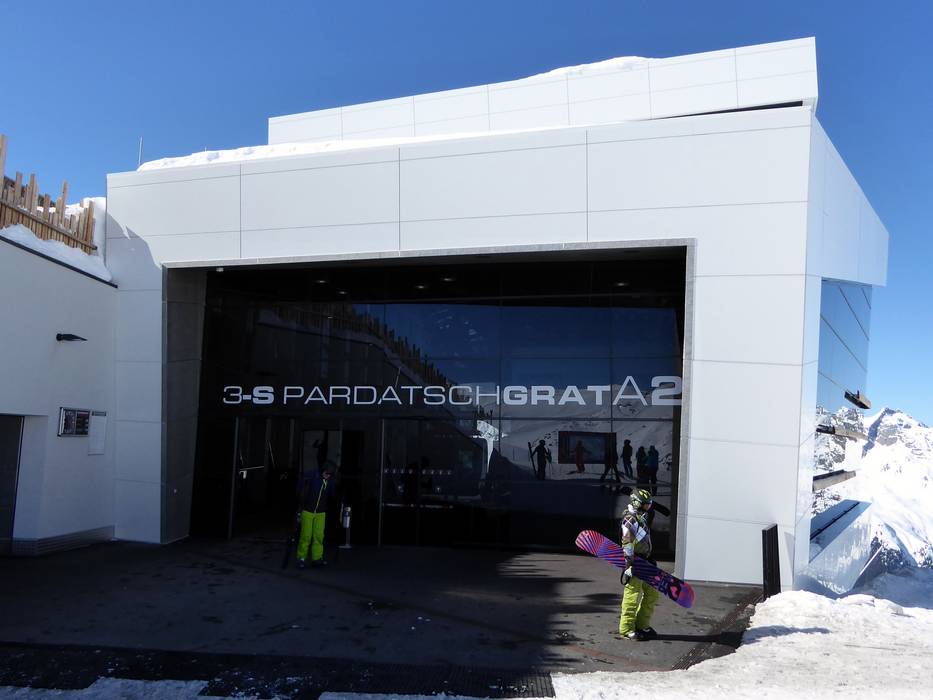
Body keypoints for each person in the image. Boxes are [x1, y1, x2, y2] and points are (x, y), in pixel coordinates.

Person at [618, 488, 659, 641]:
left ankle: (641, 624)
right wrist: (629, 565)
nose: (648, 507)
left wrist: (650, 557)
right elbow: (627, 543)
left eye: (650, 504)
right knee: (632, 595)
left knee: (652, 594)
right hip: (635, 563)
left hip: (646, 562)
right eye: (646, 504)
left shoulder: (640, 517)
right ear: (637, 503)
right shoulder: (629, 519)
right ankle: (627, 629)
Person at [296, 463, 335, 568]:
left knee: (319, 536)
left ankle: (317, 558)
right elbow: (300, 490)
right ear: (323, 470)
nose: (328, 475)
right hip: (307, 511)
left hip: (321, 513)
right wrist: (300, 507)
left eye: (330, 474)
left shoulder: (330, 481)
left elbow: (333, 495)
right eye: (327, 473)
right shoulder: (312, 476)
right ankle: (301, 558)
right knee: (306, 536)